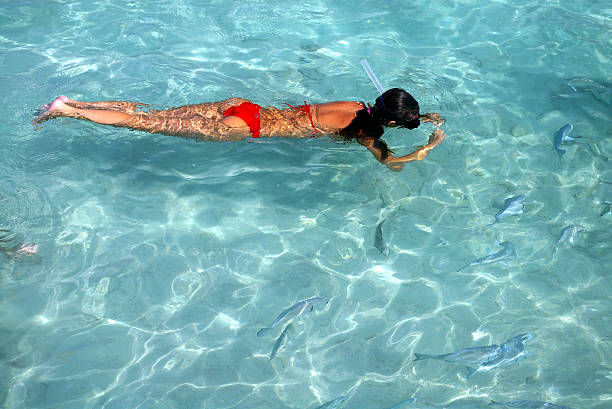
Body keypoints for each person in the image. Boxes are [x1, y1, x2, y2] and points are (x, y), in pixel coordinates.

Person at [33, 88, 445, 171]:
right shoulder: (365, 134)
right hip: (240, 128)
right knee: (145, 124)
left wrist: (420, 115)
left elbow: (385, 112)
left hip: (241, 105)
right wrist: (425, 147)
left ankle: (79, 101)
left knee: (156, 114)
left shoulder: (357, 105)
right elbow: (392, 163)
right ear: (390, 123)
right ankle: (67, 111)